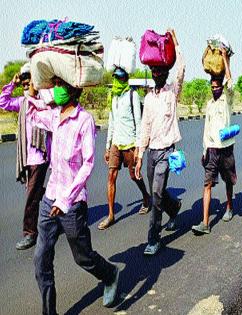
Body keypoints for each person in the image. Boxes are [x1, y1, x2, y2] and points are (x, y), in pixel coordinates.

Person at [30, 77, 120, 314]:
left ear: (74, 89)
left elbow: (87, 164)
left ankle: (110, 274)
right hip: (50, 198)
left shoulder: (84, 121)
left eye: (61, 84)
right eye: (55, 84)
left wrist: (66, 200)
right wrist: (31, 88)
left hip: (72, 204)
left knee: (83, 257)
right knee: (41, 260)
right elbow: (29, 113)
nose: (57, 89)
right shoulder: (52, 116)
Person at [134, 28, 184, 256]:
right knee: (160, 195)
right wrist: (138, 156)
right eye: (154, 70)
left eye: (160, 70)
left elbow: (181, 69)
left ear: (165, 72)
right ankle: (174, 208)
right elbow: (144, 128)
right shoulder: (149, 98)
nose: (156, 73)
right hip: (151, 154)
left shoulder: (172, 93)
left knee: (155, 196)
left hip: (166, 152)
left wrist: (175, 41)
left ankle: (153, 239)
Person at [0, 64, 50, 250]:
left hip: (39, 157)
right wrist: (11, 84)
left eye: (28, 83)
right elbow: (3, 102)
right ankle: (59, 210)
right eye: (23, 84)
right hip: (26, 157)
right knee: (38, 192)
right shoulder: (22, 102)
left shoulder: (43, 103)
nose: (26, 87)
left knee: (31, 197)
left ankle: (30, 233)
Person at [99, 67, 151, 230]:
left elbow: (138, 121)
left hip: (130, 143)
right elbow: (112, 123)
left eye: (121, 78)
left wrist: (138, 147)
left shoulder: (132, 95)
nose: (118, 81)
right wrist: (107, 146)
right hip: (116, 142)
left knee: (134, 176)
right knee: (111, 176)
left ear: (125, 79)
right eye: (116, 78)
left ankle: (146, 197)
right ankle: (111, 215)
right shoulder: (113, 97)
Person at [191, 49, 236, 235]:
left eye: (218, 86)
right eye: (212, 86)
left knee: (227, 181)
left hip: (225, 147)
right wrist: (204, 151)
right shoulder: (209, 104)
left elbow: (230, 82)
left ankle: (229, 207)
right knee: (207, 184)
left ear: (221, 87)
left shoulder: (227, 100)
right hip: (211, 149)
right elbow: (206, 128)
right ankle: (205, 222)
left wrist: (225, 59)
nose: (215, 89)